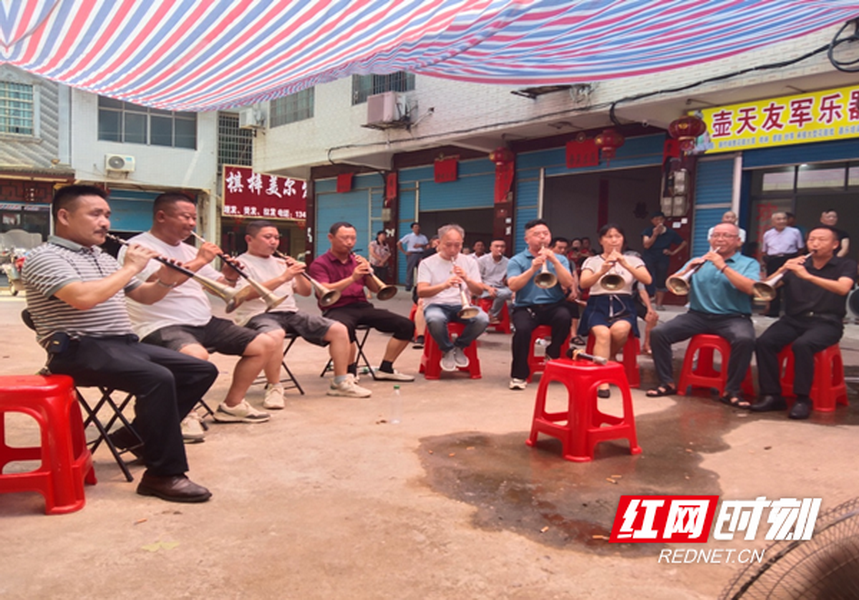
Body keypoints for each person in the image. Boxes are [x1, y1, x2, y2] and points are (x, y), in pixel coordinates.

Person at [23, 185, 217, 503]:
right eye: (95, 214)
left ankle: (135, 436)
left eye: (107, 215)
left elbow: (145, 295)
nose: (105, 222)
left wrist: (166, 277)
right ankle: (162, 475)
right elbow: (83, 299)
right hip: (77, 348)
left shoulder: (102, 257)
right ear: (64, 216)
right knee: (157, 378)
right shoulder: (45, 257)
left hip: (121, 344)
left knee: (200, 370)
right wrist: (131, 267)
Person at [121, 193, 276, 432]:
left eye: (194, 218)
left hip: (202, 321)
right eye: (186, 217)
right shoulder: (138, 248)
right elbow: (157, 280)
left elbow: (217, 286)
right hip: (160, 324)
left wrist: (230, 275)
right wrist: (201, 260)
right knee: (196, 357)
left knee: (263, 344)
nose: (192, 223)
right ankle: (184, 413)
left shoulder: (188, 249)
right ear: (161, 216)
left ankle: (232, 406)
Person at [232, 221, 372, 402]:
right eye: (267, 237)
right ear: (249, 239)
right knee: (275, 335)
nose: (273, 242)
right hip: (258, 315)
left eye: (276, 238)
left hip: (290, 312)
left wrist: (298, 273)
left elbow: (305, 292)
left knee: (339, 329)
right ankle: (274, 387)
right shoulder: (241, 264)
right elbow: (245, 295)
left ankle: (341, 382)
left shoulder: (281, 262)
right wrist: (283, 277)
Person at [646, 223, 759, 407]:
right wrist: (687, 270)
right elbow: (671, 284)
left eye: (726, 236)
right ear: (710, 240)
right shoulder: (699, 260)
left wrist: (723, 267)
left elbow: (750, 288)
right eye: (716, 235)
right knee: (659, 333)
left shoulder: (748, 263)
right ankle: (666, 383)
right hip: (697, 315)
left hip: (733, 317)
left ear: (738, 241)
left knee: (744, 339)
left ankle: (731, 391)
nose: (720, 239)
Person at [750, 226, 857, 419]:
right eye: (811, 239)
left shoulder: (845, 264)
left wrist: (807, 276)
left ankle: (802, 399)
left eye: (821, 240)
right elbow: (763, 289)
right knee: (764, 342)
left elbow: (843, 288)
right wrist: (782, 269)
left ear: (835, 245)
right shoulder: (798, 264)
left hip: (827, 322)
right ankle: (772, 395)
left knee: (803, 345)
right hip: (793, 319)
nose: (815, 243)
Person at [309, 222, 416, 381]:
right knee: (344, 329)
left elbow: (375, 289)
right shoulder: (320, 263)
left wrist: (368, 272)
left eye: (353, 238)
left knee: (406, 325)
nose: (349, 242)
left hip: (362, 306)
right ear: (330, 238)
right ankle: (349, 371)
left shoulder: (357, 261)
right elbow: (323, 290)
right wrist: (352, 278)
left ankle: (386, 369)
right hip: (336, 307)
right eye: (344, 238)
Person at [578, 225, 651, 396]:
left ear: (623, 240)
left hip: (623, 303)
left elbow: (647, 279)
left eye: (617, 236)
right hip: (598, 304)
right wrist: (601, 271)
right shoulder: (592, 261)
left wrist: (625, 264)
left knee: (620, 331)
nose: (613, 240)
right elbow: (583, 283)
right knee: (603, 334)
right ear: (601, 240)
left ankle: (609, 356)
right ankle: (602, 381)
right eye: (609, 237)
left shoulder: (634, 260)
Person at [507, 219, 575, 390]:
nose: (543, 237)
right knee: (522, 330)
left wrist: (555, 261)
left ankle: (553, 352)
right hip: (526, 307)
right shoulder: (517, 260)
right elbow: (513, 286)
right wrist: (532, 269)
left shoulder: (560, 259)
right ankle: (519, 375)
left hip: (554, 305)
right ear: (527, 239)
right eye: (537, 234)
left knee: (565, 317)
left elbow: (568, 283)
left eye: (546, 233)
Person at [417, 224, 489, 372]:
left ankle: (459, 347)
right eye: (448, 245)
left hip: (461, 305)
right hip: (436, 304)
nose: (453, 250)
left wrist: (466, 279)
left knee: (482, 319)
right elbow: (421, 292)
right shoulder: (427, 263)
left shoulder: (470, 262)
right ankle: (447, 349)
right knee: (435, 319)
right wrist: (445, 285)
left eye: (458, 245)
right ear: (439, 243)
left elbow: (479, 291)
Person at [760, 211, 804, 318]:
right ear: (772, 222)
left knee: (791, 285)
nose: (782, 221)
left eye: (784, 219)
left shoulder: (795, 232)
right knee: (773, 285)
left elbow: (800, 248)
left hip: (790, 259)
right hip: (773, 260)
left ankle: (791, 312)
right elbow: (764, 250)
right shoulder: (768, 234)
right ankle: (773, 311)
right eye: (778, 219)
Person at [642, 211, 687, 310]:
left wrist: (673, 252)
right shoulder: (648, 231)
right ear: (652, 221)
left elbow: (683, 243)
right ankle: (647, 302)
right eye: (656, 220)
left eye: (660, 219)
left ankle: (659, 304)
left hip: (663, 257)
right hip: (649, 256)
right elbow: (646, 245)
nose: (658, 222)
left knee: (661, 280)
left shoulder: (670, 232)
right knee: (647, 278)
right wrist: (654, 235)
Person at [476, 239, 512, 324]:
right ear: (491, 248)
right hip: (484, 288)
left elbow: (509, 278)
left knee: (516, 295)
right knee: (503, 294)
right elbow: (477, 279)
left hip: (501, 288)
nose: (499, 249)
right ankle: (493, 315)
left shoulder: (508, 262)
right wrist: (489, 288)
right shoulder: (481, 260)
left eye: (502, 247)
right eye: (496, 246)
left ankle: (495, 315)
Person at [397, 222, 428, 292]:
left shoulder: (423, 237)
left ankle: (419, 285)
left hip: (421, 254)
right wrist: (404, 252)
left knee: (421, 270)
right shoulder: (409, 236)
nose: (417, 229)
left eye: (418, 227)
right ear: (412, 229)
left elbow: (427, 245)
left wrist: (421, 245)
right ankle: (408, 286)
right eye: (415, 227)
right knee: (410, 270)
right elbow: (399, 243)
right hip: (412, 254)